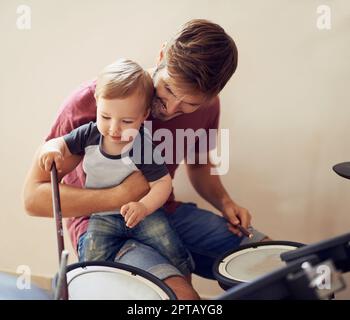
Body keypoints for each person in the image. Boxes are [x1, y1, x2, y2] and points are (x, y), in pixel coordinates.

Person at [23, 19, 269, 300]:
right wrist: (120, 196)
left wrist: (225, 202)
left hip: (164, 212)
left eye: (190, 104)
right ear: (161, 55)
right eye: (169, 90)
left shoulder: (209, 106)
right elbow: (33, 199)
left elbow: (200, 165)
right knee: (181, 297)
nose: (173, 108)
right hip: (100, 227)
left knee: (275, 263)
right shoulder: (97, 103)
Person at [38, 59, 193, 277]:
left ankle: (185, 274)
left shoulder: (140, 144)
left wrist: (144, 207)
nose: (114, 129)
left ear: (144, 115)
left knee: (170, 245)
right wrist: (53, 149)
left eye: (127, 121)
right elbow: (60, 142)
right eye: (105, 117)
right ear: (97, 103)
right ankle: (86, 285)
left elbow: (162, 182)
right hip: (102, 216)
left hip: (143, 214)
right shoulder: (89, 134)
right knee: (92, 256)